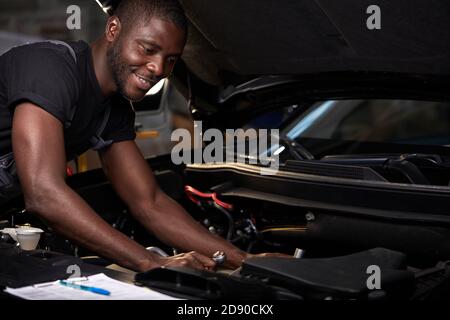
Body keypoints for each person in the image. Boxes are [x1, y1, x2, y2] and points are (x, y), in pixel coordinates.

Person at [0, 0, 280, 272]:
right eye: (148, 49)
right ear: (113, 30)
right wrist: (150, 262)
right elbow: (43, 193)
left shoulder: (115, 111)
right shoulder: (51, 68)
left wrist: (244, 260)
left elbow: (150, 202)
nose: (159, 68)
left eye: (170, 60)